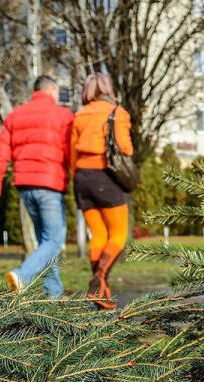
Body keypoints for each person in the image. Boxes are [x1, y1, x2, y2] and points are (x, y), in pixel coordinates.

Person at [0, 75, 74, 296]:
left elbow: (0, 154)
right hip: (51, 186)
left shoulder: (16, 115)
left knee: (46, 241)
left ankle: (53, 293)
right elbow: (71, 152)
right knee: (54, 240)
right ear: (52, 91)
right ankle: (23, 275)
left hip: (25, 188)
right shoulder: (63, 115)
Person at [71, 73, 133, 309]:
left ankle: (101, 295)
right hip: (106, 177)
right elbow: (125, 149)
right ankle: (99, 279)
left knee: (97, 235)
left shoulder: (79, 115)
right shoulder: (116, 113)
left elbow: (72, 155)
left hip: (81, 179)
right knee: (118, 234)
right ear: (108, 87)